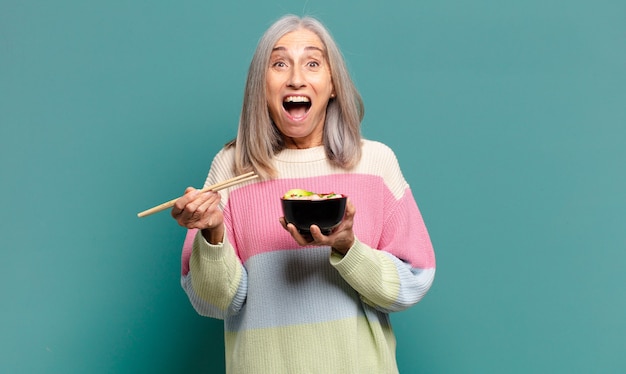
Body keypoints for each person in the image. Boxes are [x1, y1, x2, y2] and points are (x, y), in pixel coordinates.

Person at [171, 14, 436, 374]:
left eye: (312, 63)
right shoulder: (231, 169)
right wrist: (212, 234)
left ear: (333, 85)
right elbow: (213, 302)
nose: (296, 78)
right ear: (260, 85)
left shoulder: (375, 163)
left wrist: (348, 248)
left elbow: (412, 282)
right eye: (279, 63)